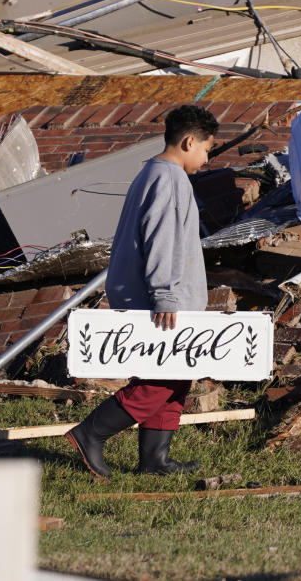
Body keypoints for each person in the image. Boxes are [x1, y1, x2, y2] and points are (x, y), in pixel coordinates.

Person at [66, 104, 219, 479]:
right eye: (206, 149)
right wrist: (166, 295)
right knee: (160, 380)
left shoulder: (151, 173)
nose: (207, 159)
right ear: (188, 141)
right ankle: (90, 433)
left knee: (176, 375)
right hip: (158, 299)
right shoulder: (171, 179)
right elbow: (162, 240)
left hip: (152, 295)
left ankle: (155, 459)